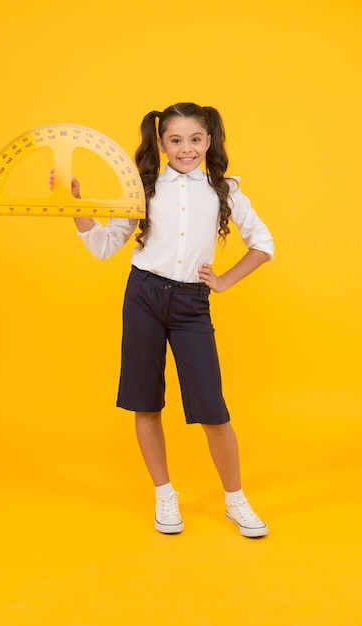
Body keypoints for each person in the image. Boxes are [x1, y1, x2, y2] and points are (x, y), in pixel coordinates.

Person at [49, 102, 274, 538]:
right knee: (145, 400)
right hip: (144, 297)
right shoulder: (142, 187)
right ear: (161, 143)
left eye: (195, 139)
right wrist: (74, 206)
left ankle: (236, 500)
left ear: (209, 141)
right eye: (175, 140)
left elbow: (263, 243)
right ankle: (165, 495)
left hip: (193, 305)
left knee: (213, 408)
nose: (186, 148)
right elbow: (103, 244)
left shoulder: (225, 190)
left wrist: (224, 280)